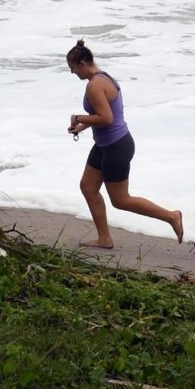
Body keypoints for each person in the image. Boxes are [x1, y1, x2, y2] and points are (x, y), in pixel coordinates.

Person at [65, 40, 184, 249]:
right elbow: (105, 115)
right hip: (105, 144)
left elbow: (106, 118)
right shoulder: (102, 78)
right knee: (88, 187)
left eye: (73, 68)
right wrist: (82, 126)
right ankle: (104, 238)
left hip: (116, 146)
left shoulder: (95, 85)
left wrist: (78, 117)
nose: (73, 73)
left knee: (121, 200)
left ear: (82, 63)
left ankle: (171, 216)